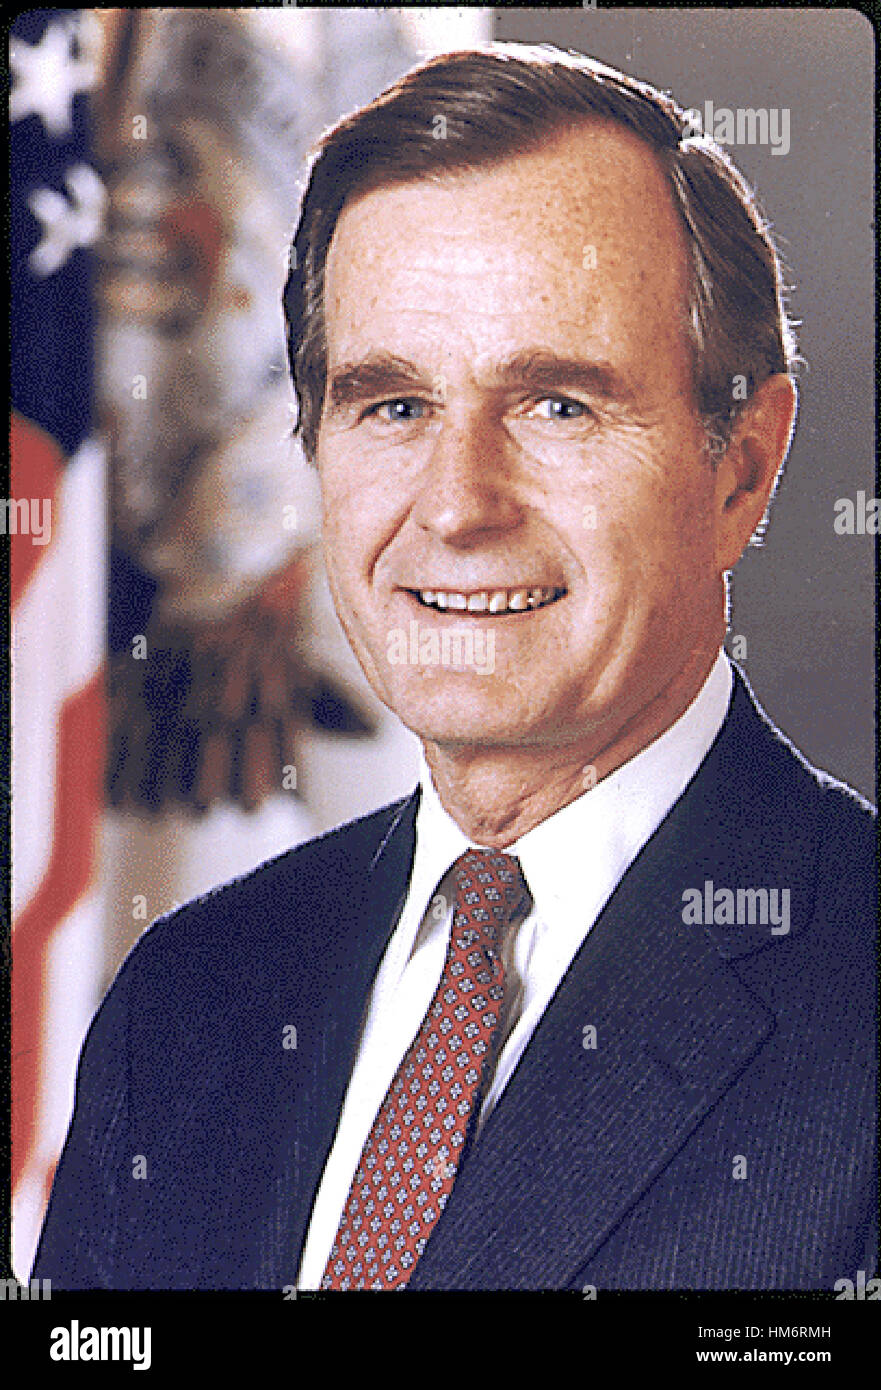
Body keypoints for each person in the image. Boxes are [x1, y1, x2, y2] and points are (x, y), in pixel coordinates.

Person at [33, 43, 876, 1292]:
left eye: (556, 406)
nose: (457, 506)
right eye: (392, 405)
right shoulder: (187, 996)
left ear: (739, 466)